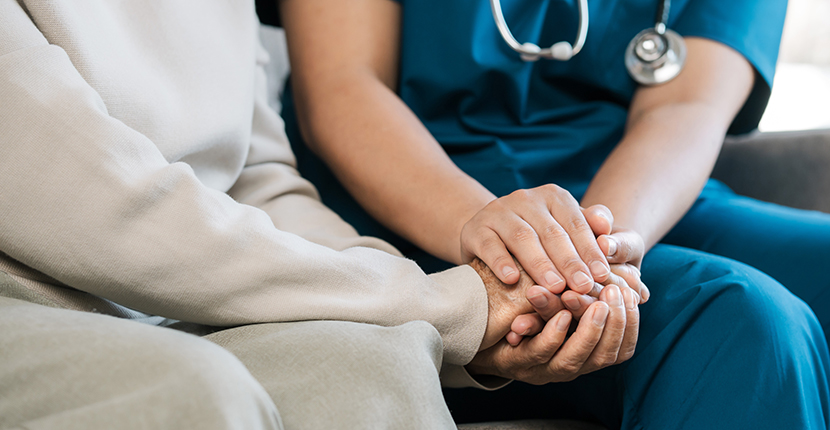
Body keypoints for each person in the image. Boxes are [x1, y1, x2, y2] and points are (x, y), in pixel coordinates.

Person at [0, 1, 644, 429]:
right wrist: (455, 306)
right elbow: (111, 209)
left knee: (374, 363)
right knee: (191, 394)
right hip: (27, 306)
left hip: (170, 302)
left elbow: (259, 182)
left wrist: (489, 311)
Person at [271, 0, 830, 428]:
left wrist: (597, 245)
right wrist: (494, 228)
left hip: (643, 199)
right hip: (419, 202)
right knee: (740, 320)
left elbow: (684, 107)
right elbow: (342, 87)